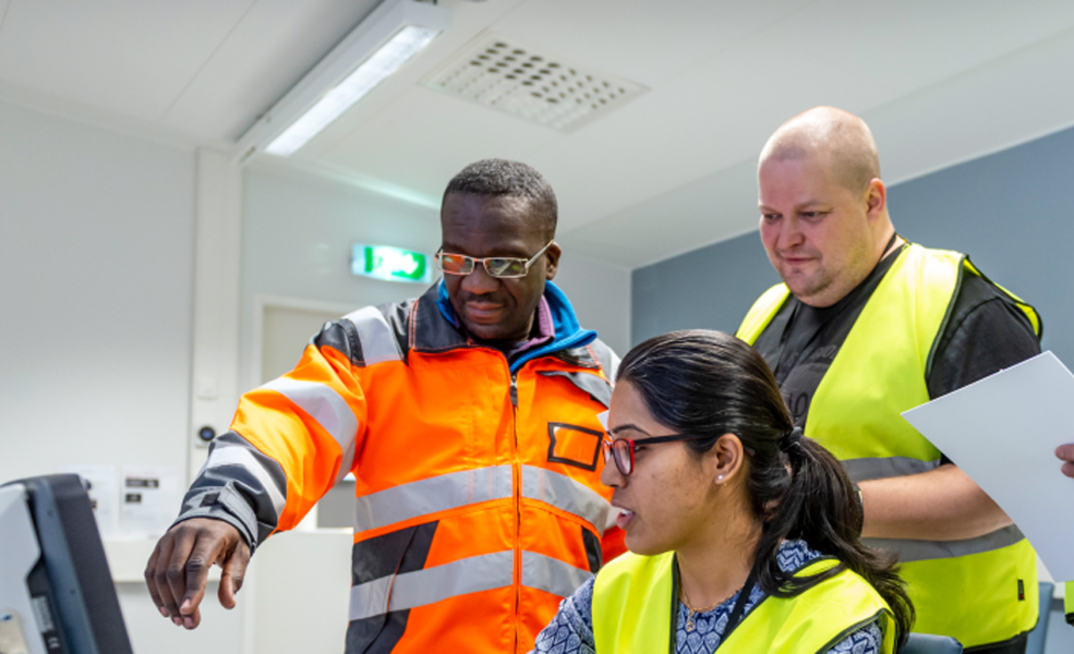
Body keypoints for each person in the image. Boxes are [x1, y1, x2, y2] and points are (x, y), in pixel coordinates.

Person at [144, 159, 626, 653]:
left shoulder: (604, 380)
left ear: (550, 261)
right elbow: (287, 428)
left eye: (504, 264)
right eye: (457, 260)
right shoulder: (375, 346)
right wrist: (223, 508)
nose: (478, 284)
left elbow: (632, 540)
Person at [735, 107, 1042, 652]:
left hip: (949, 638)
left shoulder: (957, 303)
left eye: (810, 213)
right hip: (808, 633)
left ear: (872, 200)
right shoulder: (761, 318)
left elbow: (1017, 486)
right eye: (769, 216)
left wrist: (818, 505)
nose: (786, 239)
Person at [533, 330, 913, 653]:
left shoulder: (836, 618)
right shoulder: (612, 591)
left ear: (722, 458)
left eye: (634, 448)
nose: (610, 475)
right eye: (610, 447)